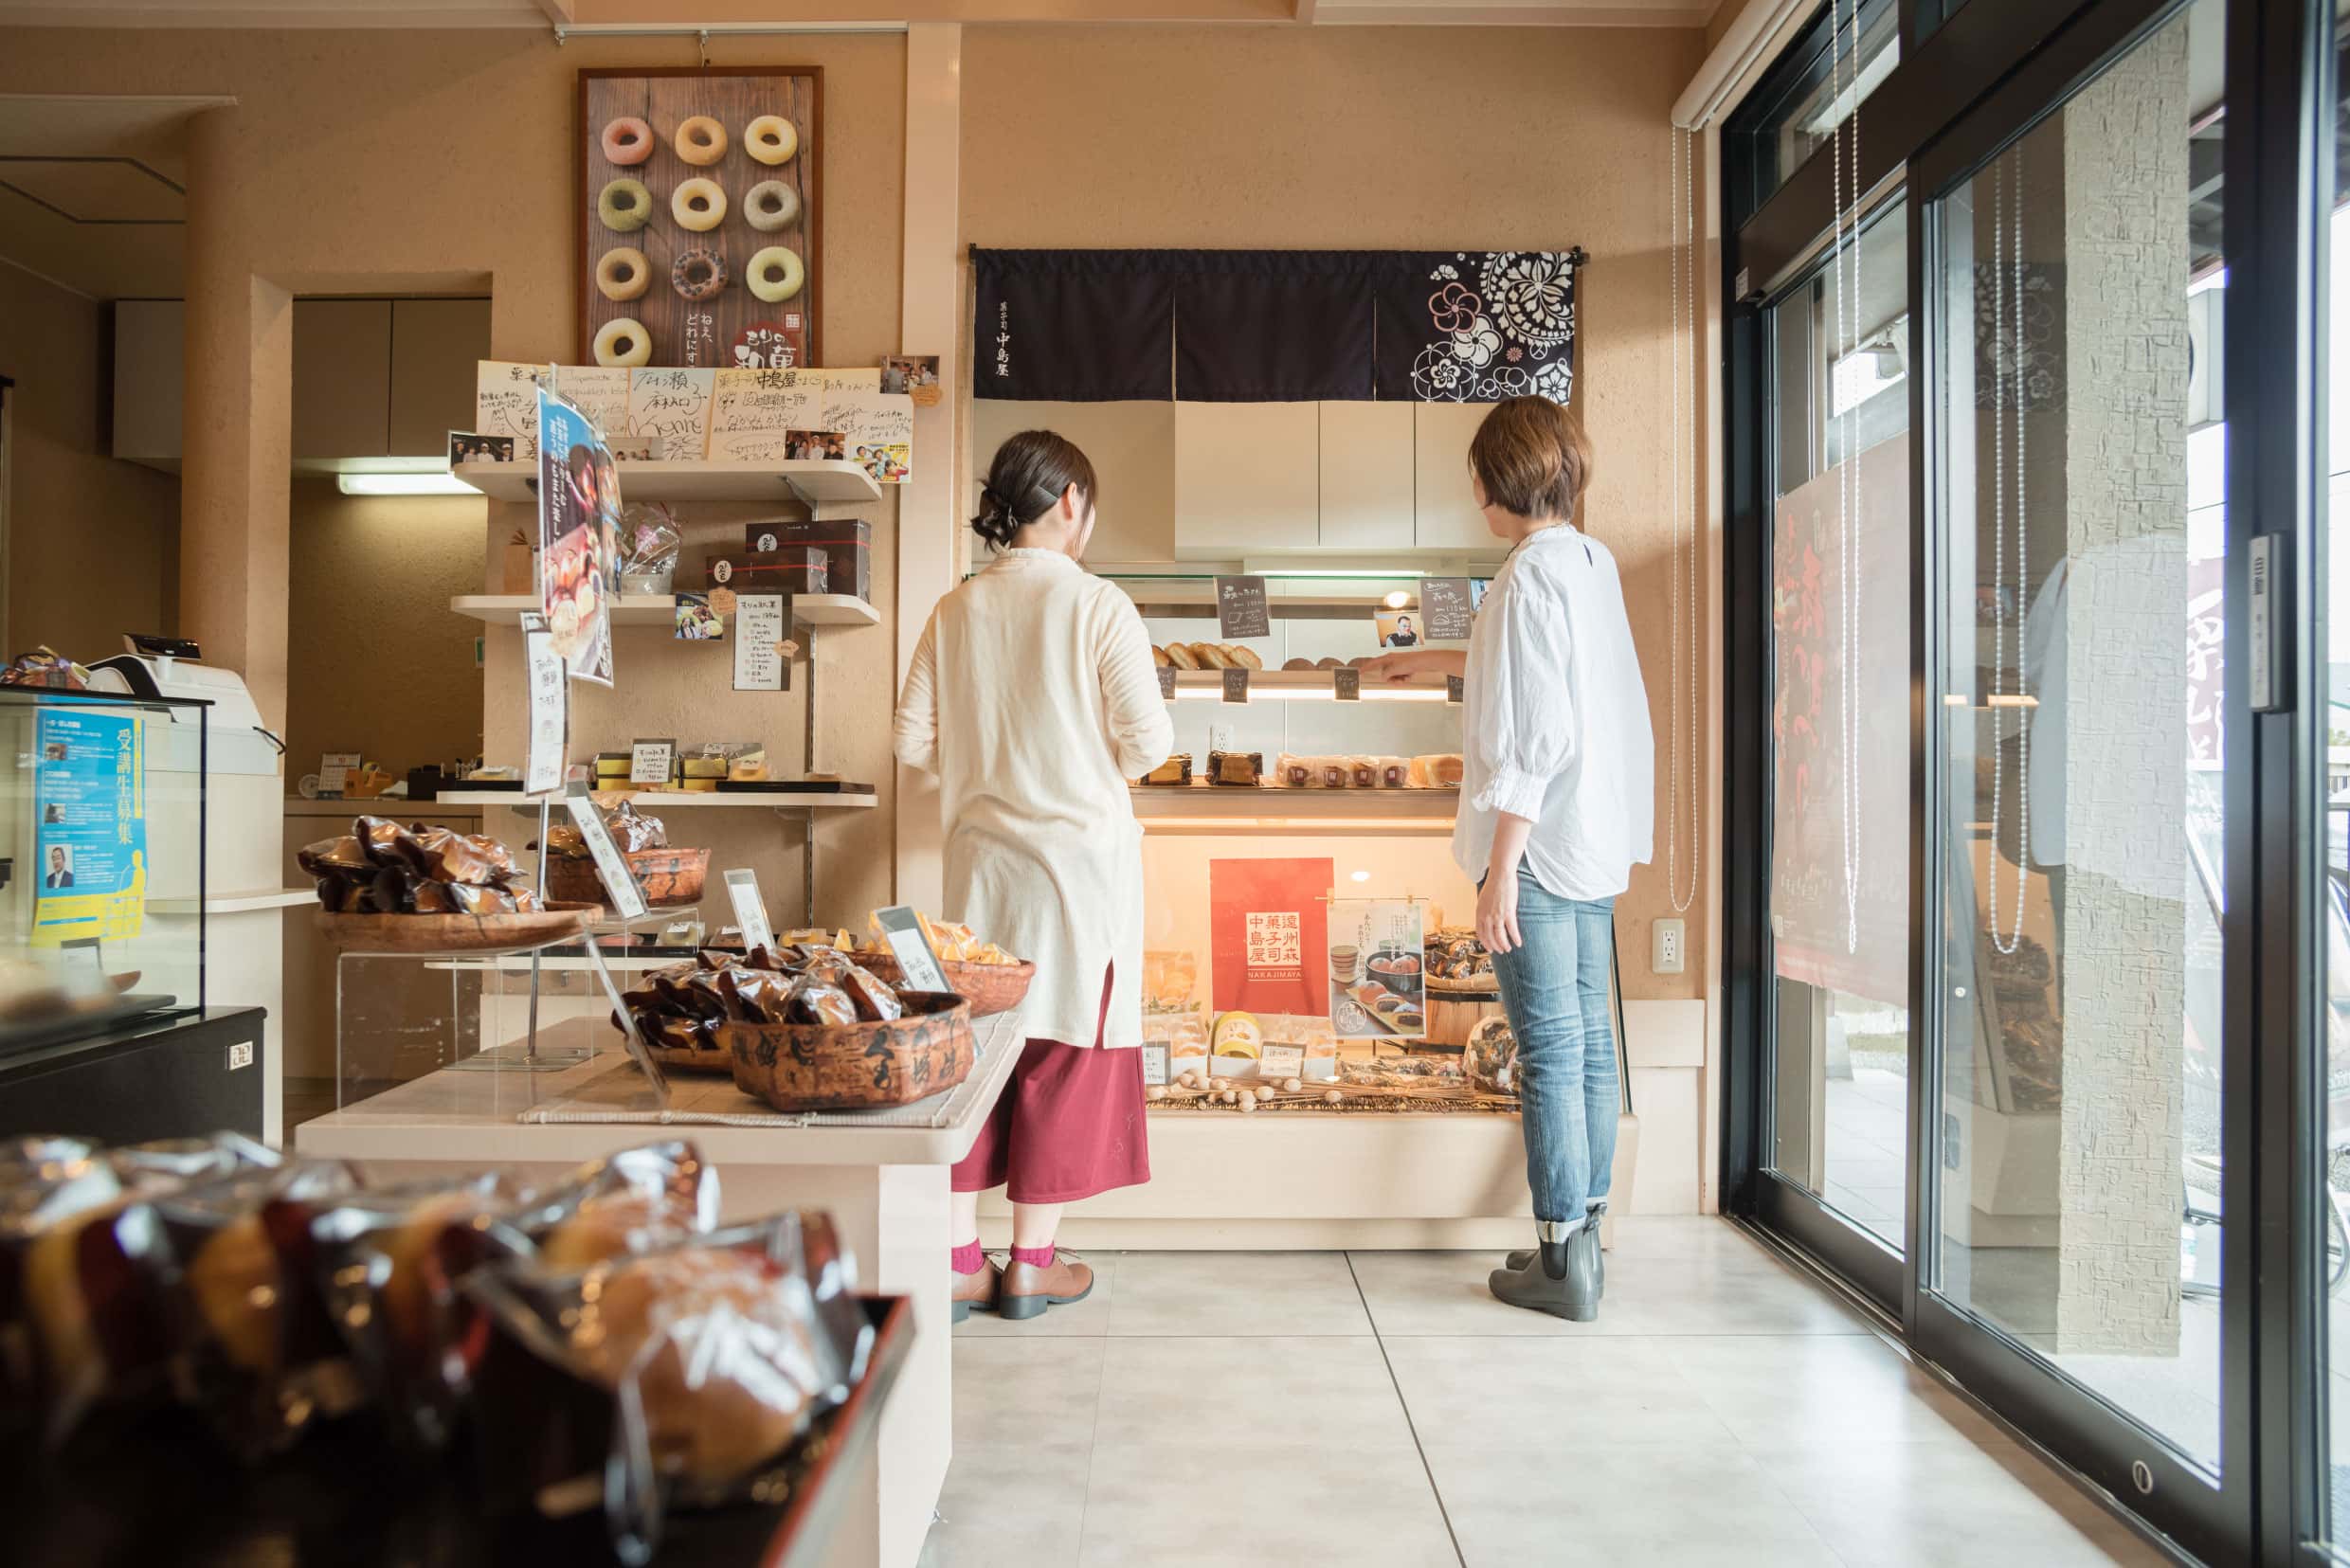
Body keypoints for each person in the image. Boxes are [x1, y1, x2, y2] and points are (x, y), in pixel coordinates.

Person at [1365, 396, 1652, 1322]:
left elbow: (1538, 733)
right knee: (1588, 1042)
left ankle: (1558, 1253)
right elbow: (1558, 686)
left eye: (1477, 478)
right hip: (1595, 837)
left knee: (1548, 1050)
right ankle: (1586, 1239)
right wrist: (1441, 658)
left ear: (1495, 481)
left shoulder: (1526, 578)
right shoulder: (1587, 560)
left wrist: (1499, 866)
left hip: (1539, 842)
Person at [895, 430, 1174, 1323]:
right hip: (1078, 879)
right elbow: (1152, 746)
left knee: (971, 1058)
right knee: (1059, 1053)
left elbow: (908, 744)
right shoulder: (1099, 605)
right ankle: (1033, 1263)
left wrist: (986, 777)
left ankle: (959, 1260)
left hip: (980, 874)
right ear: (1067, 503)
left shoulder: (954, 608)